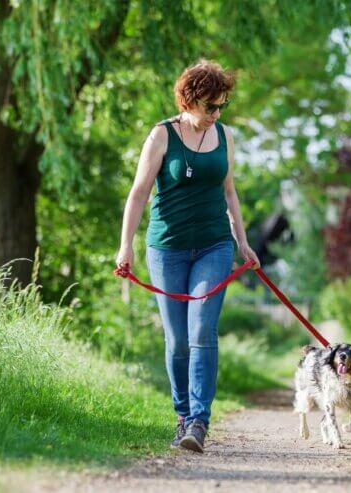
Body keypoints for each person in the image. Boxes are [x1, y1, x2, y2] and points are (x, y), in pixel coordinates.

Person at [115, 59, 260, 453]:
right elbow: (139, 192)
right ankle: (182, 415)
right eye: (210, 107)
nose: (216, 114)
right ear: (189, 99)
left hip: (214, 245)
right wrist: (125, 244)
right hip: (167, 249)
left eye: (222, 107)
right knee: (177, 338)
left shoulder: (225, 136)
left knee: (201, 331)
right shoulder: (162, 135)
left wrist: (242, 242)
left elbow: (230, 192)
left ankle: (199, 420)